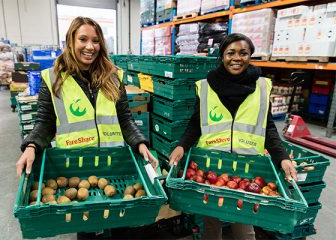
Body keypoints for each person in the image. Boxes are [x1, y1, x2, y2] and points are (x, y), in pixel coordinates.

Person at [15, 16, 157, 240]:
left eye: (96, 40)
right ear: (71, 40)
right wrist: (31, 145)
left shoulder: (113, 77)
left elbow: (125, 119)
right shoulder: (53, 79)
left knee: (122, 224)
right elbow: (44, 123)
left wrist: (139, 143)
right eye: (83, 39)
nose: (90, 46)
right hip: (76, 168)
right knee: (88, 228)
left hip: (113, 165)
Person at [169, 33, 298, 240]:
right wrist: (182, 145)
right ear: (222, 56)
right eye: (231, 53)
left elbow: (269, 128)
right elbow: (196, 123)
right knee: (211, 223)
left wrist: (282, 157)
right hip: (212, 166)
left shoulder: (261, 87)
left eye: (243, 53)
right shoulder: (206, 86)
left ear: (250, 56)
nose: (237, 58)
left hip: (247, 169)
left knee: (244, 225)